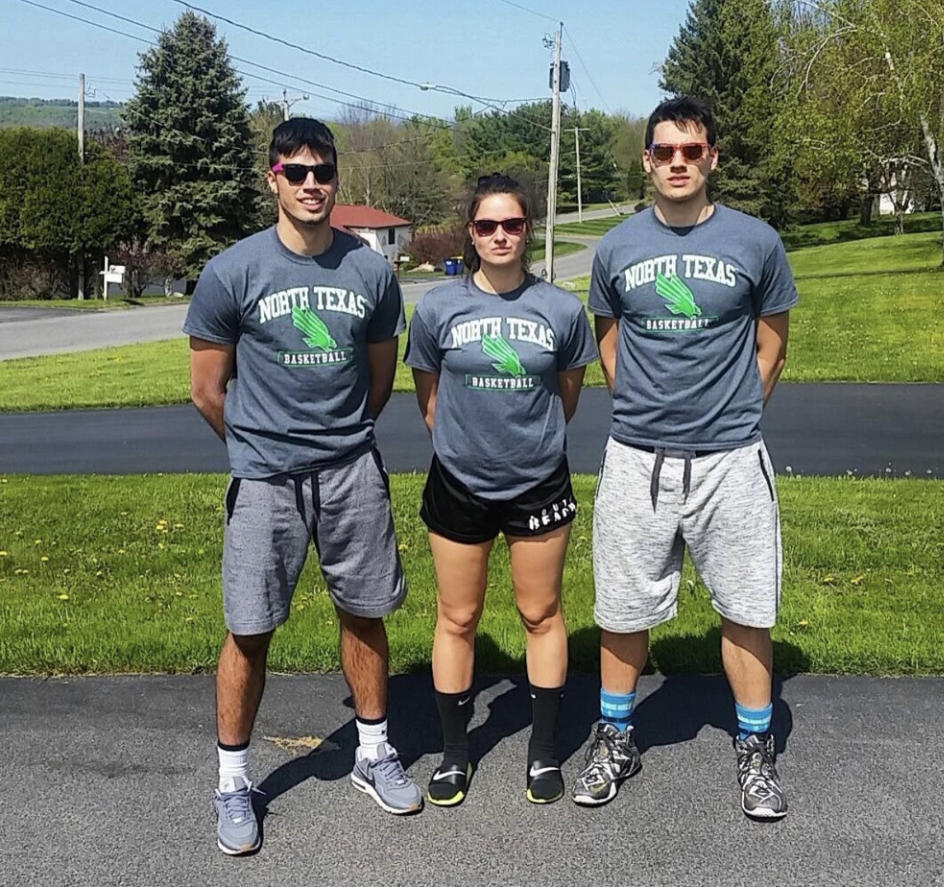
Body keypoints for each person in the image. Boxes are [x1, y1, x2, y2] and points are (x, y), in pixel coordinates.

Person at [185, 117, 422, 856]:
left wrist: (341, 437)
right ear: (273, 178)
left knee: (366, 611)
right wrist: (258, 447)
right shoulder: (234, 271)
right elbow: (206, 388)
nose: (311, 184)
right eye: (296, 172)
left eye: (322, 171)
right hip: (265, 479)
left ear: (336, 179)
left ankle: (373, 753)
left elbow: (379, 377)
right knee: (249, 629)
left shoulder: (371, 272)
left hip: (350, 469)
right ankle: (233, 781)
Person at [572, 96, 797, 820]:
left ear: (712, 159)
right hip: (638, 456)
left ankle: (756, 749)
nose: (678, 162)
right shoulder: (616, 248)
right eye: (665, 151)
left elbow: (772, 344)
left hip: (732, 459)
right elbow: (609, 343)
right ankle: (615, 737)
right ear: (647, 159)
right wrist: (643, 406)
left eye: (691, 151)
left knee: (747, 607)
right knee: (622, 609)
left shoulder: (756, 242)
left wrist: (732, 411)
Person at [404, 173, 597, 806]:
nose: (499, 236)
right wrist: (463, 444)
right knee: (457, 617)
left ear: (528, 228)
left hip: (539, 481)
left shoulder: (562, 311)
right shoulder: (437, 308)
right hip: (459, 483)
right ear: (470, 231)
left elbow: (567, 394)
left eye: (511, 224)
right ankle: (456, 755)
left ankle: (543, 754)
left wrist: (528, 442)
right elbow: (428, 395)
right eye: (486, 225)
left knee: (540, 614)